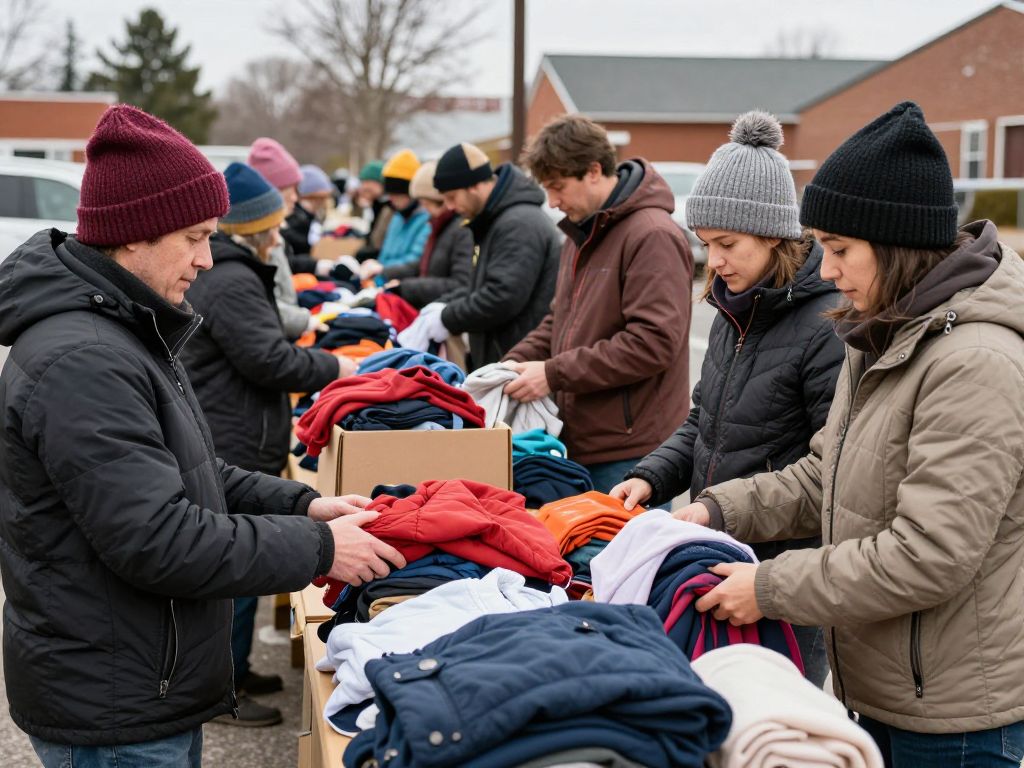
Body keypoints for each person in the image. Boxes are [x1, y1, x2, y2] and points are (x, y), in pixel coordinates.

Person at [0, 105, 405, 767]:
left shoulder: (125, 329)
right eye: (194, 236)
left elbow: (193, 470)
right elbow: (159, 540)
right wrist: (320, 546)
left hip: (137, 683)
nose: (207, 258)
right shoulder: (86, 359)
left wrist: (303, 504)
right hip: (115, 705)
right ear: (135, 233)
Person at [678, 102, 1024, 767]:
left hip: (955, 717)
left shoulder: (973, 361)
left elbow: (928, 553)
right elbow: (822, 474)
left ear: (894, 245)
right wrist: (719, 507)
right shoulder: (882, 333)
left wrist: (769, 587)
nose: (826, 270)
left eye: (839, 250)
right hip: (882, 689)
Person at [608, 111, 844, 684]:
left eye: (727, 244)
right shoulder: (731, 309)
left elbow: (829, 469)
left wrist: (718, 507)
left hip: (785, 579)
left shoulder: (826, 327)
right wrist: (653, 475)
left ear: (774, 236)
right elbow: (705, 421)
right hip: (719, 552)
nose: (713, 261)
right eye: (707, 244)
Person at [179, 162, 356, 726]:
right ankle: (222, 685)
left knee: (241, 570)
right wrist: (338, 364)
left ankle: (235, 668)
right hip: (232, 431)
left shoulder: (231, 275)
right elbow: (267, 358)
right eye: (272, 227)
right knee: (233, 569)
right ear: (252, 229)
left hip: (236, 427)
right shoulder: (231, 280)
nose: (279, 237)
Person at [502, 114, 694, 493]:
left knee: (621, 553)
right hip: (583, 439)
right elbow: (560, 320)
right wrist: (513, 362)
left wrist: (553, 374)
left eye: (558, 187)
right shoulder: (581, 232)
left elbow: (653, 343)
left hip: (632, 451)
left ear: (593, 171)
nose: (553, 202)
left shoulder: (651, 235)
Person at [417, 142, 560, 368]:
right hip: (502, 356)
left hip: (518, 363)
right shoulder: (493, 220)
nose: (450, 206)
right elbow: (480, 286)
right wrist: (444, 305)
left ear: (473, 186)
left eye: (452, 197)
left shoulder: (518, 223)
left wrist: (448, 318)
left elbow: (501, 297)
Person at [384, 159, 473, 308]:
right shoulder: (439, 226)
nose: (424, 210)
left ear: (440, 200)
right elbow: (425, 264)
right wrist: (388, 273)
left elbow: (460, 284)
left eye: (426, 204)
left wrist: (407, 287)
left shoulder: (461, 231)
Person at [360, 149, 431, 283]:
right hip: (379, 284)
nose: (391, 200)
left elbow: (415, 261)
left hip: (399, 286)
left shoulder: (426, 221)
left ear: (409, 193)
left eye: (396, 195)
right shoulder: (396, 217)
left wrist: (381, 270)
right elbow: (384, 255)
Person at [352, 159, 393, 261]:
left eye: (367, 182)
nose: (363, 187)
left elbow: (380, 244)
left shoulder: (389, 209)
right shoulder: (376, 206)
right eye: (362, 182)